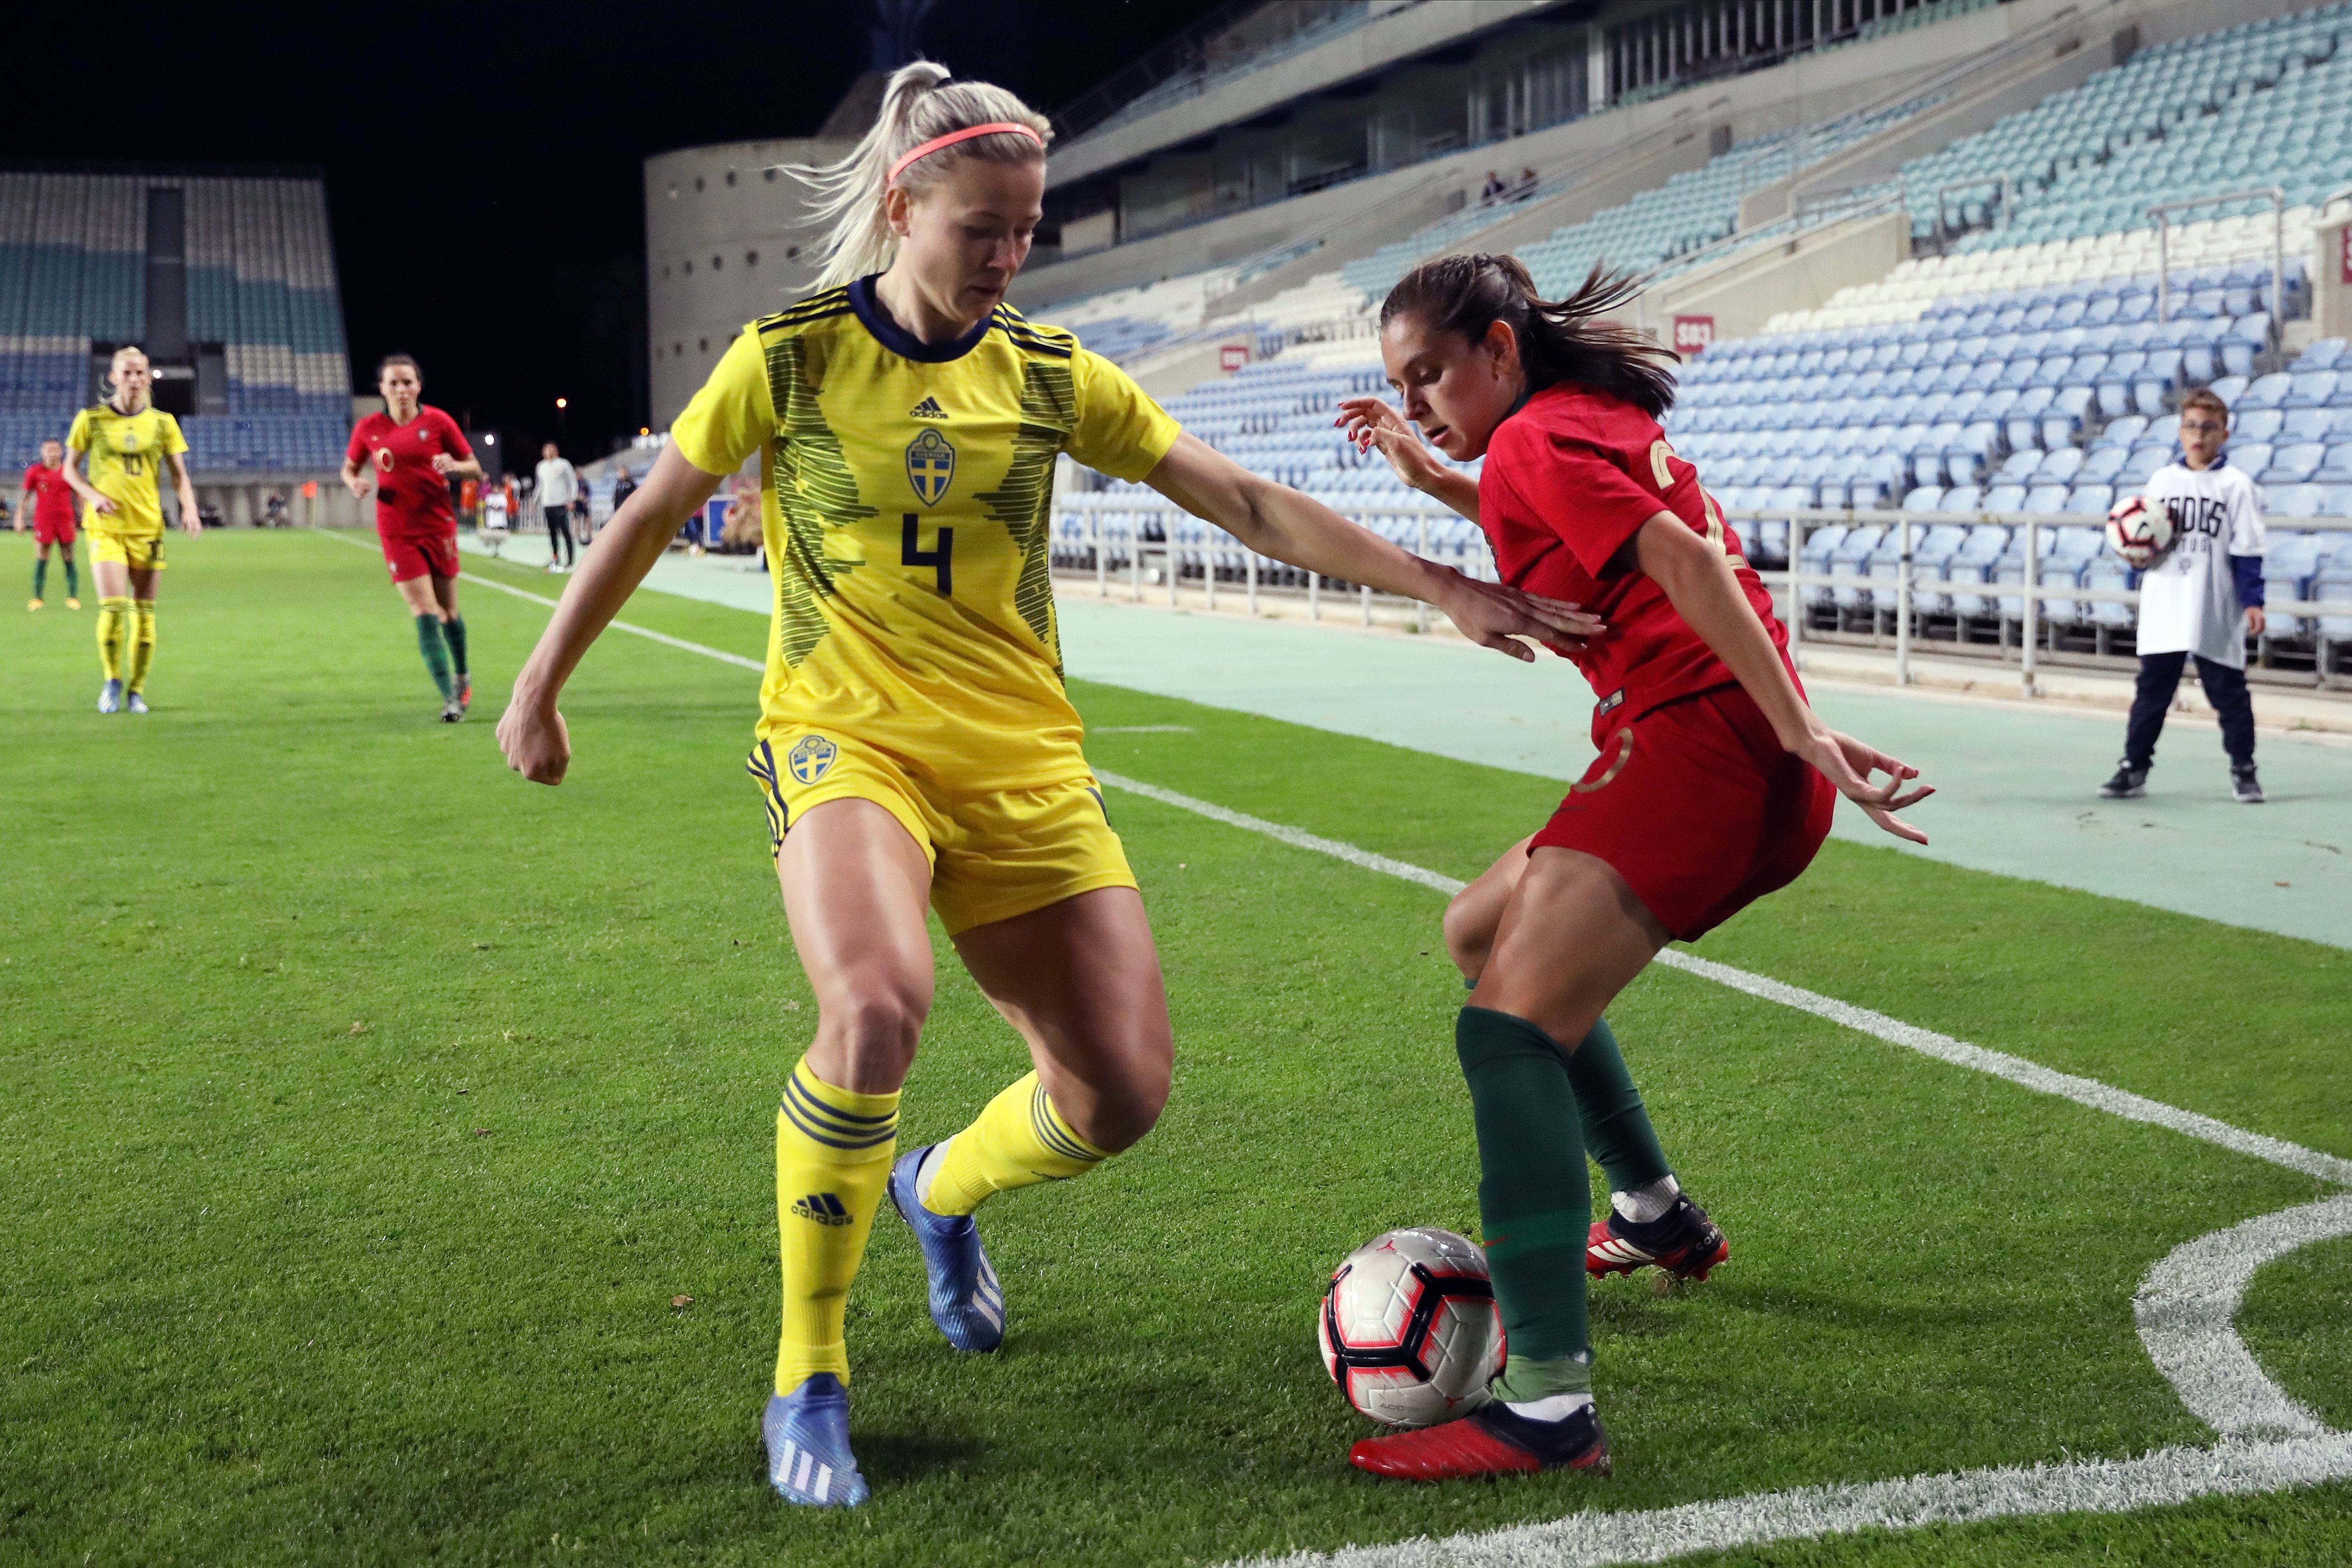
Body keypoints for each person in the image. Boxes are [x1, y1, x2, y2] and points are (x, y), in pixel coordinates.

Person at [495, 63, 1591, 1512]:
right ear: (905, 205)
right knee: (875, 1002)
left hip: (1019, 763)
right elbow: (645, 515)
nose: (1005, 256)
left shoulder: (1052, 374)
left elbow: (1243, 499)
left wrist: (1437, 580)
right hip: (844, 740)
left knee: (1119, 1094)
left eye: (1025, 230)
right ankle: (807, 1372)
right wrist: (536, 684)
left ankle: (938, 1189)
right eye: (979, 229)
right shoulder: (792, 356)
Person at [1335, 253, 1930, 1481]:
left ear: (1500, 348)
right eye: (1404, 385)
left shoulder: (1534, 443)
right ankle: (1654, 1215)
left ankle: (1547, 1405)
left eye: (1433, 374)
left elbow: (1689, 571)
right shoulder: (1568, 425)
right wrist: (1433, 478)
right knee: (1475, 931)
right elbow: (1589, 537)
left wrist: (1792, 728)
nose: (1426, 397)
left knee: (1504, 1035)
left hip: (1702, 751)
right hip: (1716, 747)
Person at [2100, 387, 2266, 804]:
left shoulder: (2236, 486)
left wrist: (2252, 600)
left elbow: (2246, 548)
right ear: (2179, 431)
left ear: (2223, 434)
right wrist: (2136, 560)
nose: (2199, 435)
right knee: (2152, 692)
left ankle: (2244, 769)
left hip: (2213, 603)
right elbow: (2144, 538)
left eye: (2208, 428)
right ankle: (2133, 767)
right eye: (2191, 426)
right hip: (2165, 601)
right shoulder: (2162, 481)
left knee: (2228, 693)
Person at [343, 354, 484, 722]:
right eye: (394, 383)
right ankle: (449, 698)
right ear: (382, 388)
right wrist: (354, 481)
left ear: (419, 386)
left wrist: (455, 465)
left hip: (438, 527)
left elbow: (475, 468)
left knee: (449, 614)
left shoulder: (438, 421)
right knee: (424, 611)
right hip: (397, 530)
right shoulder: (368, 428)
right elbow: (349, 466)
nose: (402, 389)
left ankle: (463, 674)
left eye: (408, 382)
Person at [63, 346, 199, 714]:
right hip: (105, 528)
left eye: (140, 372)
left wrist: (189, 507)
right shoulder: (90, 420)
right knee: (113, 608)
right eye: (127, 373)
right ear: (114, 377)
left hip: (148, 529)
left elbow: (180, 476)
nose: (135, 379)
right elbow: (69, 470)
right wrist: (91, 494)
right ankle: (112, 681)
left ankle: (136, 691)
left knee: (144, 614)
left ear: (148, 376)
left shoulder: (163, 423)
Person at [21, 437, 82, 610]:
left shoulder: (68, 472)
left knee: (69, 556)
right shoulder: (34, 472)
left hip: (65, 520)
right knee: (42, 557)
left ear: (61, 452)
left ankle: (73, 597)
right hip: (44, 520)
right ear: (42, 452)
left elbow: (79, 496)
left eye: (55, 450)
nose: (52, 453)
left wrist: (83, 515)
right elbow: (25, 497)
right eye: (49, 450)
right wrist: (19, 518)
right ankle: (38, 598)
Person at [534, 441, 579, 570]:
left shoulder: (563, 464)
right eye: (546, 450)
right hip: (547, 503)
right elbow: (540, 485)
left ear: (557, 451)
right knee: (552, 533)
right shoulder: (541, 466)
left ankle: (570, 559)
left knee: (565, 531)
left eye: (551, 449)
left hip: (561, 503)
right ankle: (555, 557)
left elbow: (573, 482)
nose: (549, 452)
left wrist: (572, 499)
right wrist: (534, 501)